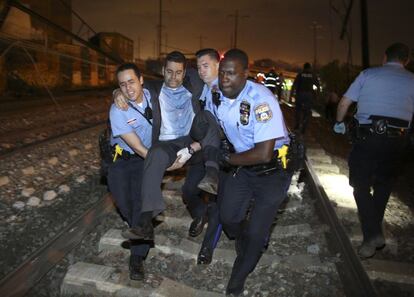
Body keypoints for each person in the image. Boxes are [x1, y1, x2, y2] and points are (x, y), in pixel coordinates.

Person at [113, 51, 221, 243]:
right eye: (169, 71)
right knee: (154, 154)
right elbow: (130, 88)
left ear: (185, 72)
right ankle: (145, 222)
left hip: (193, 140)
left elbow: (215, 76)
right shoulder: (153, 89)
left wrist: (194, 147)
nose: (173, 77)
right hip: (167, 144)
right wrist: (117, 93)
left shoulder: (195, 82)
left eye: (178, 72)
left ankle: (212, 173)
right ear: (163, 71)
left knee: (207, 117)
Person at [212, 49, 292, 296]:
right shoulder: (218, 90)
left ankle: (239, 276)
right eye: (222, 72)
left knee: (257, 234)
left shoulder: (261, 100)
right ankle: (246, 239)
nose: (225, 78)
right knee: (228, 218)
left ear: (246, 74)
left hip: (272, 171)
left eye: (231, 73)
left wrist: (226, 158)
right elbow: (185, 84)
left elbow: (264, 153)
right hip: (243, 167)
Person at [333, 42, 414, 258]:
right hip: (397, 141)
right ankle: (374, 233)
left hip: (367, 137)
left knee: (360, 186)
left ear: (384, 57)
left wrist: (339, 122)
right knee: (384, 184)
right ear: (406, 61)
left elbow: (344, 103)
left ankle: (372, 235)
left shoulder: (368, 74)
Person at [107, 63, 153, 281]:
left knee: (139, 204)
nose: (128, 88)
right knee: (123, 202)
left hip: (144, 162)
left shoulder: (156, 98)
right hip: (123, 159)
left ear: (141, 79)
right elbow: (137, 147)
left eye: (131, 81)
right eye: (122, 85)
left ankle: (137, 258)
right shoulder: (118, 109)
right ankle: (139, 224)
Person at [187, 48, 224, 265]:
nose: (201, 71)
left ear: (217, 65)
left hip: (223, 151)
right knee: (188, 190)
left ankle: (207, 248)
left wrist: (195, 146)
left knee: (219, 201)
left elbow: (220, 129)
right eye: (199, 66)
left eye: (206, 65)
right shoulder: (201, 86)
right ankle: (200, 213)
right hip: (204, 148)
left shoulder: (224, 88)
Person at [290, 62, 319, 134]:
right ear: (309, 68)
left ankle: (297, 125)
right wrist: (316, 96)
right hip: (309, 95)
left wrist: (291, 94)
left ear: (304, 67)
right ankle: (304, 128)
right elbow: (317, 86)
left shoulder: (300, 74)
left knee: (298, 110)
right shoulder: (313, 75)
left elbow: (294, 85)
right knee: (307, 112)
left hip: (300, 94)